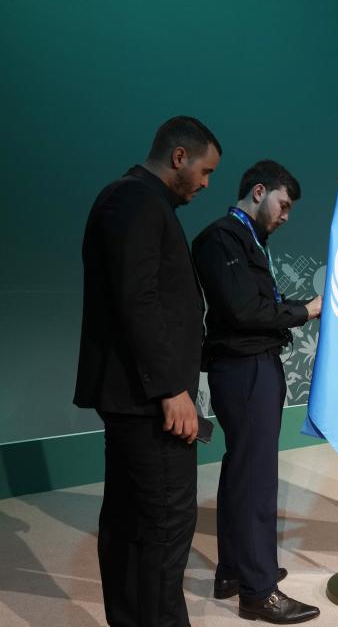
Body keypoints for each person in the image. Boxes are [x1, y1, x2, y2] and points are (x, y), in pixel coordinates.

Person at [74, 116, 221, 627]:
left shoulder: (137, 200)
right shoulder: (134, 200)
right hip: (148, 401)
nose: (206, 184)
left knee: (135, 522)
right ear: (178, 157)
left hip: (138, 397)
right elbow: (137, 301)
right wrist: (169, 390)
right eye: (204, 171)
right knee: (163, 524)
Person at [192, 160, 322, 624]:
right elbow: (246, 311)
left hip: (251, 367)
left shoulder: (249, 240)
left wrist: (295, 310)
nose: (285, 216)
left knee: (242, 472)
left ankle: (234, 572)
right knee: (258, 480)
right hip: (244, 369)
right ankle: (260, 590)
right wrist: (307, 311)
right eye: (283, 205)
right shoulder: (222, 237)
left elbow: (258, 305)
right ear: (259, 191)